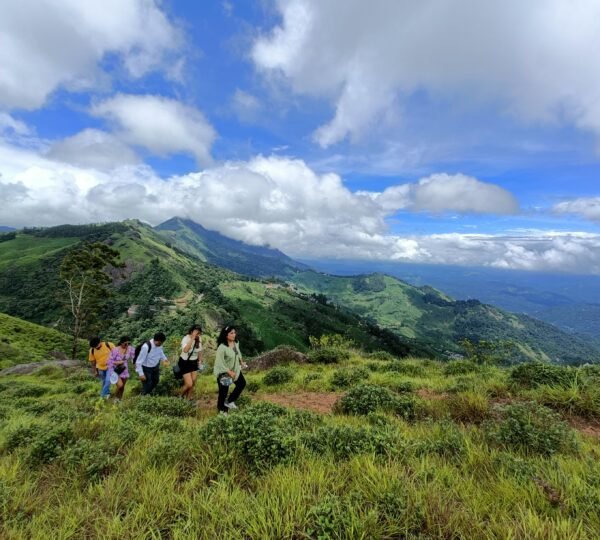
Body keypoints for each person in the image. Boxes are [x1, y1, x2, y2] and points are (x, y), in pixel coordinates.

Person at [213, 325, 247, 414]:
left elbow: (237, 352)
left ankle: (230, 401)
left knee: (241, 384)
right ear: (226, 335)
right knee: (223, 392)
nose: (234, 335)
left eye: (234, 333)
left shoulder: (236, 342)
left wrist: (241, 361)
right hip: (224, 372)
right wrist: (228, 372)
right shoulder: (222, 347)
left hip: (235, 370)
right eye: (231, 333)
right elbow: (219, 362)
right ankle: (222, 410)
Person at [179, 324, 203, 400]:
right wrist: (192, 338)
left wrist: (200, 361)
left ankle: (188, 399)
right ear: (191, 331)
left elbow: (199, 350)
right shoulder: (185, 339)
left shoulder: (199, 338)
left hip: (194, 362)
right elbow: (185, 350)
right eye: (196, 331)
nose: (197, 334)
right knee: (189, 384)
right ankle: (180, 397)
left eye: (199, 332)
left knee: (193, 381)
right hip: (185, 362)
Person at [107, 336, 133, 401]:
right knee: (120, 385)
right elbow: (109, 361)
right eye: (125, 344)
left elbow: (134, 357)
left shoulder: (130, 349)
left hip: (124, 369)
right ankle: (114, 398)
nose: (127, 345)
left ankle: (119, 400)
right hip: (115, 370)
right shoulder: (115, 350)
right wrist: (118, 362)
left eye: (128, 343)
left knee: (122, 387)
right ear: (121, 343)